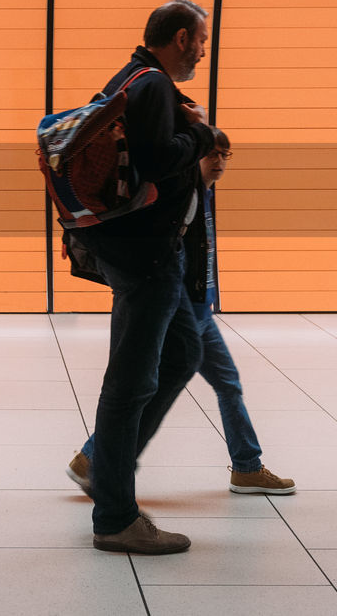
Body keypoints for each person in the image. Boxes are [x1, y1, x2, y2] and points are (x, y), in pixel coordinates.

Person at [65, 0, 219, 556]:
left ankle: (106, 466)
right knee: (128, 385)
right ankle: (115, 515)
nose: (203, 49)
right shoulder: (152, 85)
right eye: (201, 39)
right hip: (148, 255)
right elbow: (157, 162)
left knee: (182, 353)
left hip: (141, 251)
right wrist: (203, 137)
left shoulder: (130, 79)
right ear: (180, 37)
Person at [68, 130, 295, 498]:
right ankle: (95, 459)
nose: (219, 162)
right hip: (182, 310)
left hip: (198, 308)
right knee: (157, 386)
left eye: (226, 155)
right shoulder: (181, 197)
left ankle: (246, 467)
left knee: (220, 385)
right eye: (213, 155)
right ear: (195, 157)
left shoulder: (202, 195)